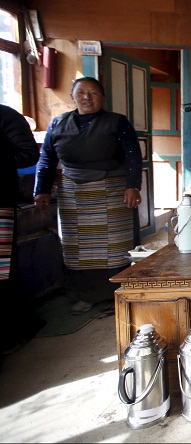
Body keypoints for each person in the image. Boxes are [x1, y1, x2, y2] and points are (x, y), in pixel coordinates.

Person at [34, 77, 143, 315]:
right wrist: (41, 189)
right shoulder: (58, 123)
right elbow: (47, 159)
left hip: (112, 189)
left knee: (114, 247)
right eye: (81, 93)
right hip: (73, 191)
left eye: (93, 93)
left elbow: (132, 155)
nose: (87, 97)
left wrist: (132, 185)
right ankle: (84, 295)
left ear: (102, 98)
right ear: (73, 97)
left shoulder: (117, 122)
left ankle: (116, 294)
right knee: (77, 247)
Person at [0, 104, 44, 354]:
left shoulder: (6, 116)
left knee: (2, 271)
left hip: (0, 203)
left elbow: (29, 154)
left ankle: (14, 330)